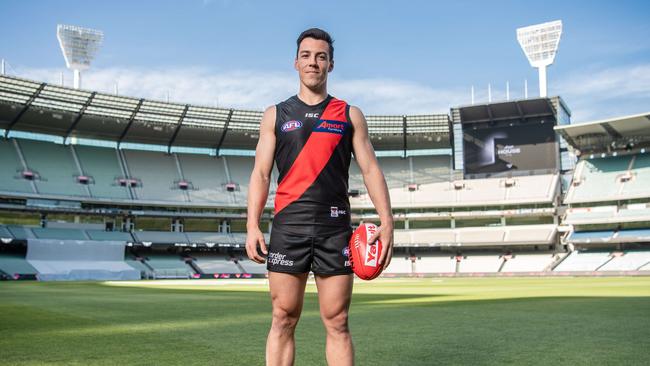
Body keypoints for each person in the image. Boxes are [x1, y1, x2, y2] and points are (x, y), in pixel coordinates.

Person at [246, 27, 394, 366]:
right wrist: (252, 224)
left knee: (338, 321)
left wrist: (388, 221)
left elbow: (371, 169)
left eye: (321, 56)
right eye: (307, 56)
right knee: (283, 318)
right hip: (289, 227)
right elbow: (261, 173)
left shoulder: (348, 114)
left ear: (331, 64)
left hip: (334, 229)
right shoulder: (275, 115)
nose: (314, 62)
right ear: (296, 63)